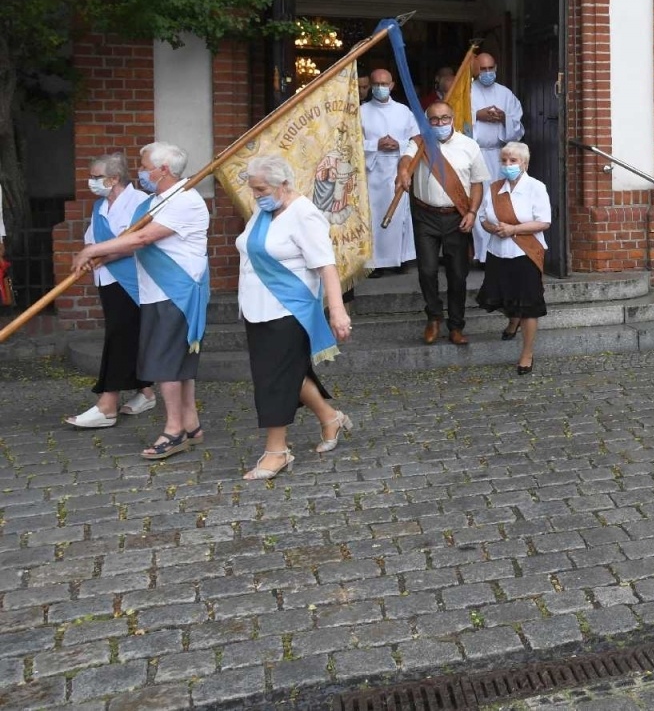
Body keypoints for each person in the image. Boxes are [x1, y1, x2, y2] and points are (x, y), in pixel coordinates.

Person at [72, 142, 210, 461]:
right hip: (155, 291)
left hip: (176, 289)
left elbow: (143, 238)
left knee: (167, 363)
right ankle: (190, 424)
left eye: (144, 165)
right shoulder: (155, 201)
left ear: (163, 169)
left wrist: (92, 250)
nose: (140, 171)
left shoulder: (185, 200)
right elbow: (134, 236)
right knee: (175, 362)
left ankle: (174, 430)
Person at [235, 155, 354, 479]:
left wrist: (338, 311)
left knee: (273, 378)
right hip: (257, 308)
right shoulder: (264, 211)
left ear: (283, 184)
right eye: (253, 189)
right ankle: (330, 417)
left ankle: (277, 451)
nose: (256, 195)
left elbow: (326, 265)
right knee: (286, 372)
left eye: (261, 189)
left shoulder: (304, 214)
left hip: (289, 308)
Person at [62, 154, 157, 429]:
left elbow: (132, 243)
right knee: (126, 335)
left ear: (113, 178)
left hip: (132, 280)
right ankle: (146, 392)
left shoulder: (139, 202)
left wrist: (99, 255)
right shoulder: (100, 205)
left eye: (95, 176)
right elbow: (92, 240)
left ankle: (107, 403)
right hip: (106, 280)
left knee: (120, 336)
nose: (91, 182)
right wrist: (95, 256)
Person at [396, 102, 488, 345]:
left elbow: (478, 182)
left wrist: (472, 211)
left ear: (453, 118)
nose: (440, 124)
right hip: (426, 216)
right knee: (426, 271)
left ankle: (456, 326)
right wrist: (403, 172)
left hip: (457, 217)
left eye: (444, 118)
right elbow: (404, 160)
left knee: (457, 275)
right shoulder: (419, 143)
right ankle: (434, 316)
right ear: (427, 122)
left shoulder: (469, 146)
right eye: (434, 120)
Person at [475, 142, 551, 373]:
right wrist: (491, 227)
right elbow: (482, 217)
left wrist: (513, 230)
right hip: (498, 252)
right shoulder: (494, 188)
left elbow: (544, 221)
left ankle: (526, 354)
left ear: (524, 164)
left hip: (525, 252)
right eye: (504, 160)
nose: (507, 165)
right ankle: (513, 318)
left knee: (529, 305)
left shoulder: (536, 187)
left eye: (513, 161)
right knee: (498, 297)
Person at [359, 68, 420, 277]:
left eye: (384, 84)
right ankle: (375, 262)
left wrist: (399, 144)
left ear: (392, 85)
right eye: (376, 84)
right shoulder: (361, 111)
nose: (380, 88)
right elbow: (351, 141)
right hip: (372, 170)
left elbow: (417, 139)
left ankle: (399, 259)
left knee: (400, 216)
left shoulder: (404, 111)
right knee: (374, 216)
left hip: (398, 168)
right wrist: (375, 144)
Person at [468, 51, 525, 263]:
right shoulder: (467, 93)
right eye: (483, 69)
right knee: (480, 203)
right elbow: (457, 122)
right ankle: (482, 254)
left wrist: (504, 119)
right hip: (476, 155)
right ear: (475, 70)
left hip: (499, 156)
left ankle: (500, 252)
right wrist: (477, 116)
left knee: (500, 202)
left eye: (491, 68)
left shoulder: (506, 94)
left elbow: (518, 126)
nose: (487, 73)